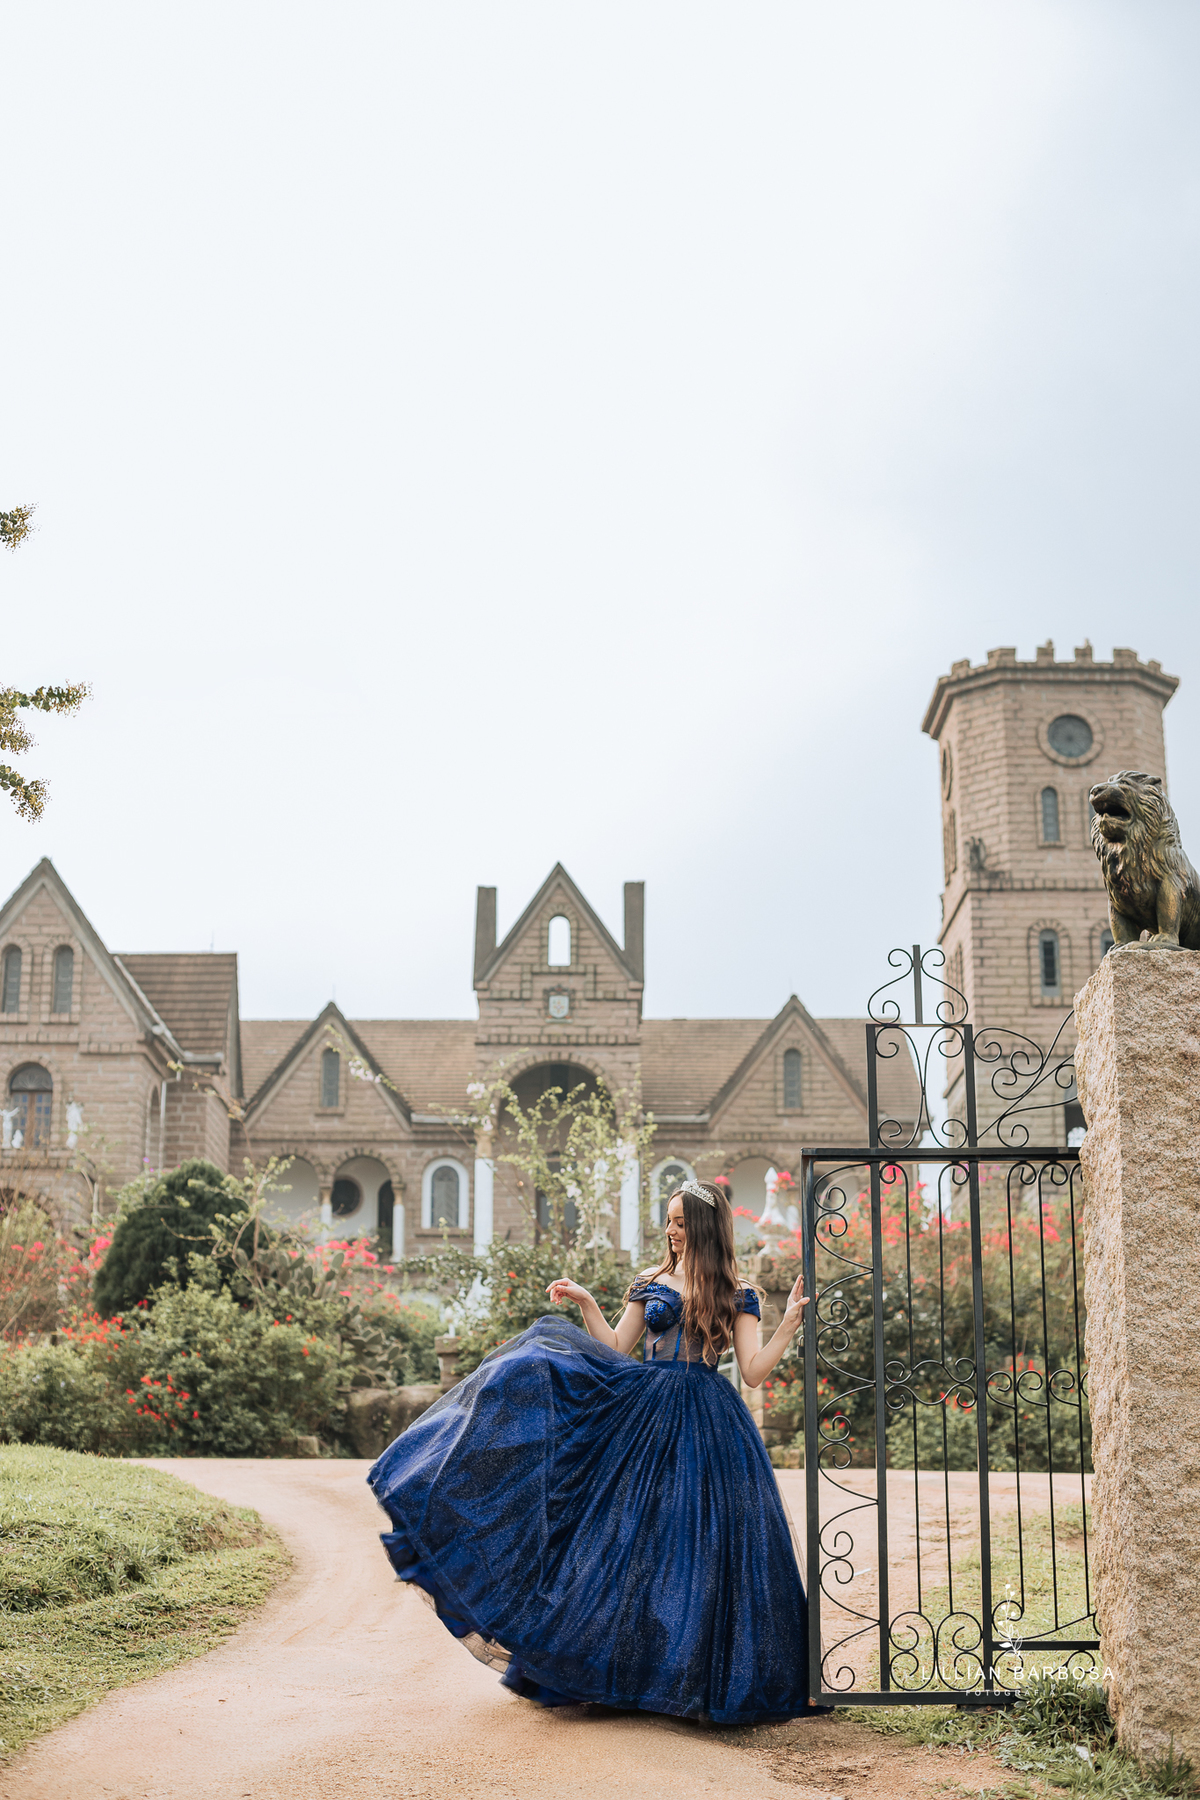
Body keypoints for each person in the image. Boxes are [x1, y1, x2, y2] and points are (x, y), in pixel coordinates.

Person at [367, 1177, 811, 1723]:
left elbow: (752, 1371)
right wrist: (585, 1303)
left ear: (702, 1226)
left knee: (702, 1542)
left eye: (678, 1221)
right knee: (626, 1538)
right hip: (645, 1413)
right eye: (667, 1221)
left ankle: (695, 1676)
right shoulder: (650, 1282)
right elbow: (615, 1348)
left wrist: (788, 1324)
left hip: (710, 1420)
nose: (670, 1231)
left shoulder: (736, 1291)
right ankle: (621, 1669)